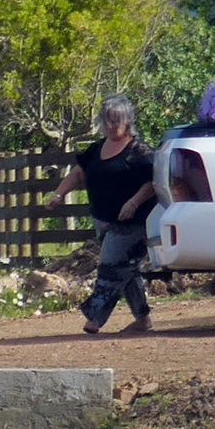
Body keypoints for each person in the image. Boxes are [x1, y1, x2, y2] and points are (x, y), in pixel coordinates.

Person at [53, 95, 156, 335]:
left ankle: (95, 317)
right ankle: (143, 319)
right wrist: (57, 195)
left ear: (126, 121)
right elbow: (78, 173)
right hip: (103, 220)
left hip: (133, 222)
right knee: (125, 271)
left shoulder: (139, 151)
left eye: (114, 121)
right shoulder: (97, 149)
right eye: (106, 121)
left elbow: (152, 183)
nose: (109, 126)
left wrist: (133, 202)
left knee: (110, 267)